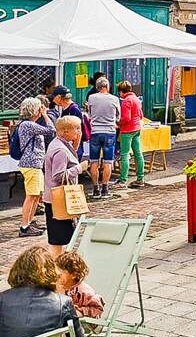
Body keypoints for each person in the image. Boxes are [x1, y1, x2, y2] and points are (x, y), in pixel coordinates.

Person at [43, 116, 89, 257]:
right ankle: (57, 267)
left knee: (64, 236)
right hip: (58, 201)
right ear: (65, 131)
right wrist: (80, 168)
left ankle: (61, 265)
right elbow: (58, 176)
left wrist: (75, 145)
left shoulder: (60, 143)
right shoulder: (60, 150)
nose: (79, 131)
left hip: (57, 199)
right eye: (76, 128)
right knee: (59, 238)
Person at [15, 97, 55, 238]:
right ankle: (24, 226)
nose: (41, 110)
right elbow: (51, 130)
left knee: (36, 196)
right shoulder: (28, 125)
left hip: (34, 164)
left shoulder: (28, 124)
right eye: (39, 108)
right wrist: (45, 115)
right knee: (31, 196)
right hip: (31, 164)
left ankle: (29, 222)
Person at [86, 77, 120, 199]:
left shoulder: (91, 98)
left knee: (94, 161)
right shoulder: (114, 99)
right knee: (108, 162)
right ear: (107, 86)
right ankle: (105, 188)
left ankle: (95, 188)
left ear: (97, 87)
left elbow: (89, 115)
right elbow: (118, 116)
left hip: (95, 132)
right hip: (109, 132)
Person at [55, 251, 105, 320]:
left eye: (61, 272)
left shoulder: (84, 291)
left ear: (73, 275)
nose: (57, 274)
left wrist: (81, 312)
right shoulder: (59, 286)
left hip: (85, 322)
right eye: (56, 271)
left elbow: (97, 308)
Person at [117, 80, 145, 189]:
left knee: (124, 155)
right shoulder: (136, 99)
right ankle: (140, 178)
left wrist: (118, 122)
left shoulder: (126, 101)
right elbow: (141, 115)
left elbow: (126, 118)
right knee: (138, 154)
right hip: (137, 129)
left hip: (127, 130)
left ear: (121, 91)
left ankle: (123, 181)